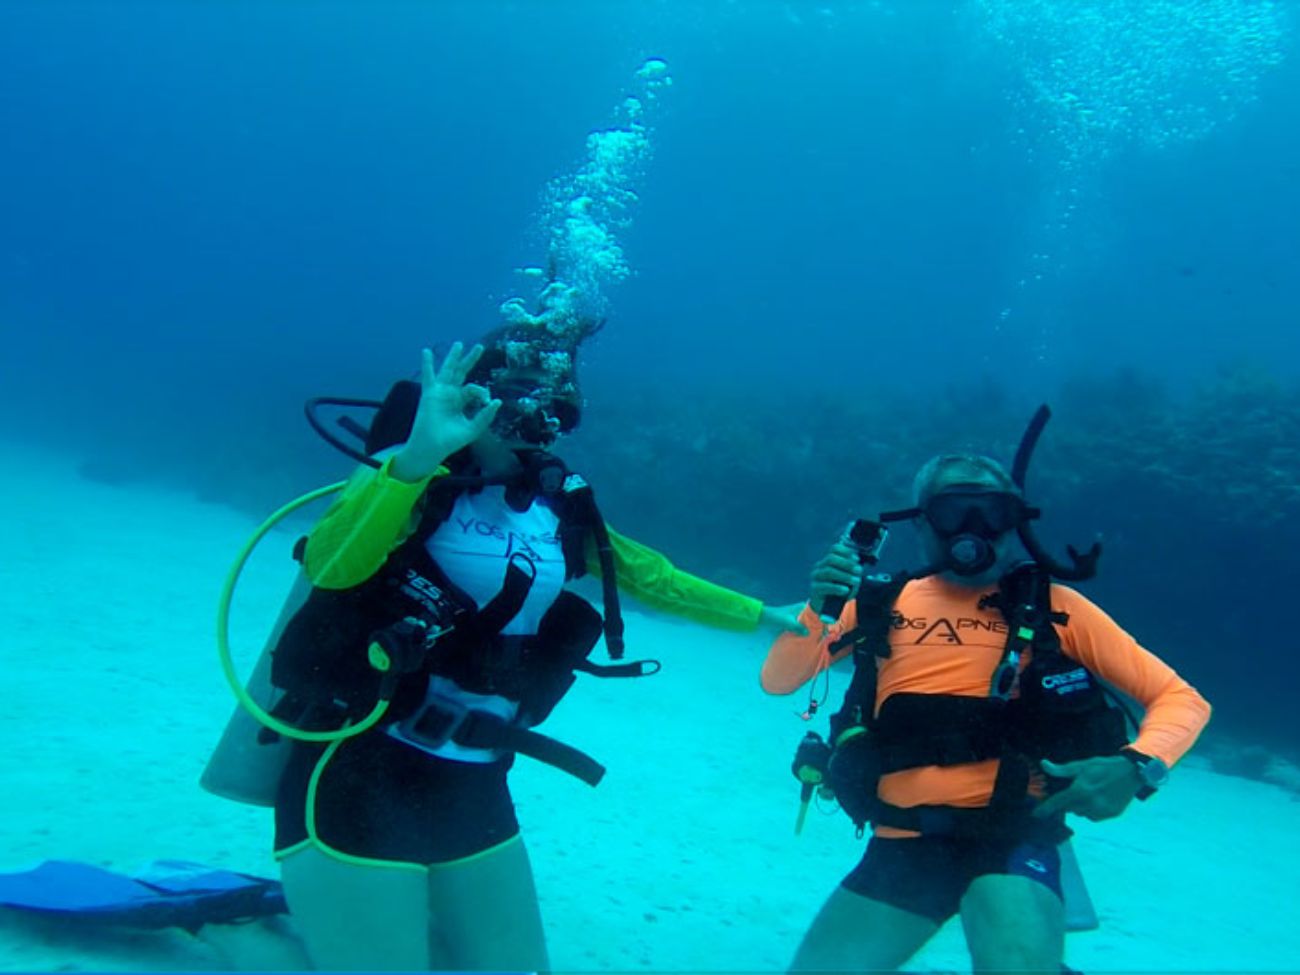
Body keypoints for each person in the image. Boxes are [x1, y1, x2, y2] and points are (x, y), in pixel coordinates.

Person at [268, 337, 801, 972]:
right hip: (358, 763)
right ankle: (239, 931)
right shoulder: (415, 480)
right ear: (474, 396)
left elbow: (651, 576)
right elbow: (331, 566)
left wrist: (766, 616)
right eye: (516, 397)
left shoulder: (561, 507)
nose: (536, 418)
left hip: (474, 773)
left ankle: (303, 924)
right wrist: (417, 458)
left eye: (554, 405)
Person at [761, 417, 1211, 974]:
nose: (971, 529)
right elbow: (779, 679)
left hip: (1014, 835)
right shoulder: (879, 603)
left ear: (1014, 523)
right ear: (923, 522)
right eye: (953, 512)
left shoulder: (1056, 607)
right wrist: (818, 604)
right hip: (904, 839)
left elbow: (1181, 698)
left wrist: (1140, 766)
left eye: (992, 512)